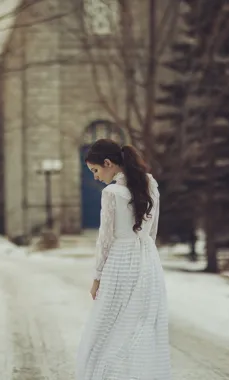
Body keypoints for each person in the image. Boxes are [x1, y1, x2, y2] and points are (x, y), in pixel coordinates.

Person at [76, 139, 172, 380]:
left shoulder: (111, 193)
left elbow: (105, 240)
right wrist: (144, 252)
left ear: (108, 163)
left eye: (96, 170)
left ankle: (109, 374)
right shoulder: (150, 184)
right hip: (148, 261)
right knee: (142, 324)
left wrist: (97, 277)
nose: (96, 177)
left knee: (109, 327)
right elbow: (153, 231)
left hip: (121, 263)